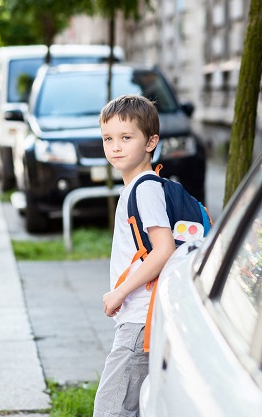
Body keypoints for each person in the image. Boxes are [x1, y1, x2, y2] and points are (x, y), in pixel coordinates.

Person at [94, 95, 176, 417]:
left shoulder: (145, 188)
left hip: (140, 319)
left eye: (126, 138)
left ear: (150, 142)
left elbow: (164, 249)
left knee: (111, 409)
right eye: (108, 138)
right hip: (138, 318)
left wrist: (120, 292)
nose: (115, 147)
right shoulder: (135, 188)